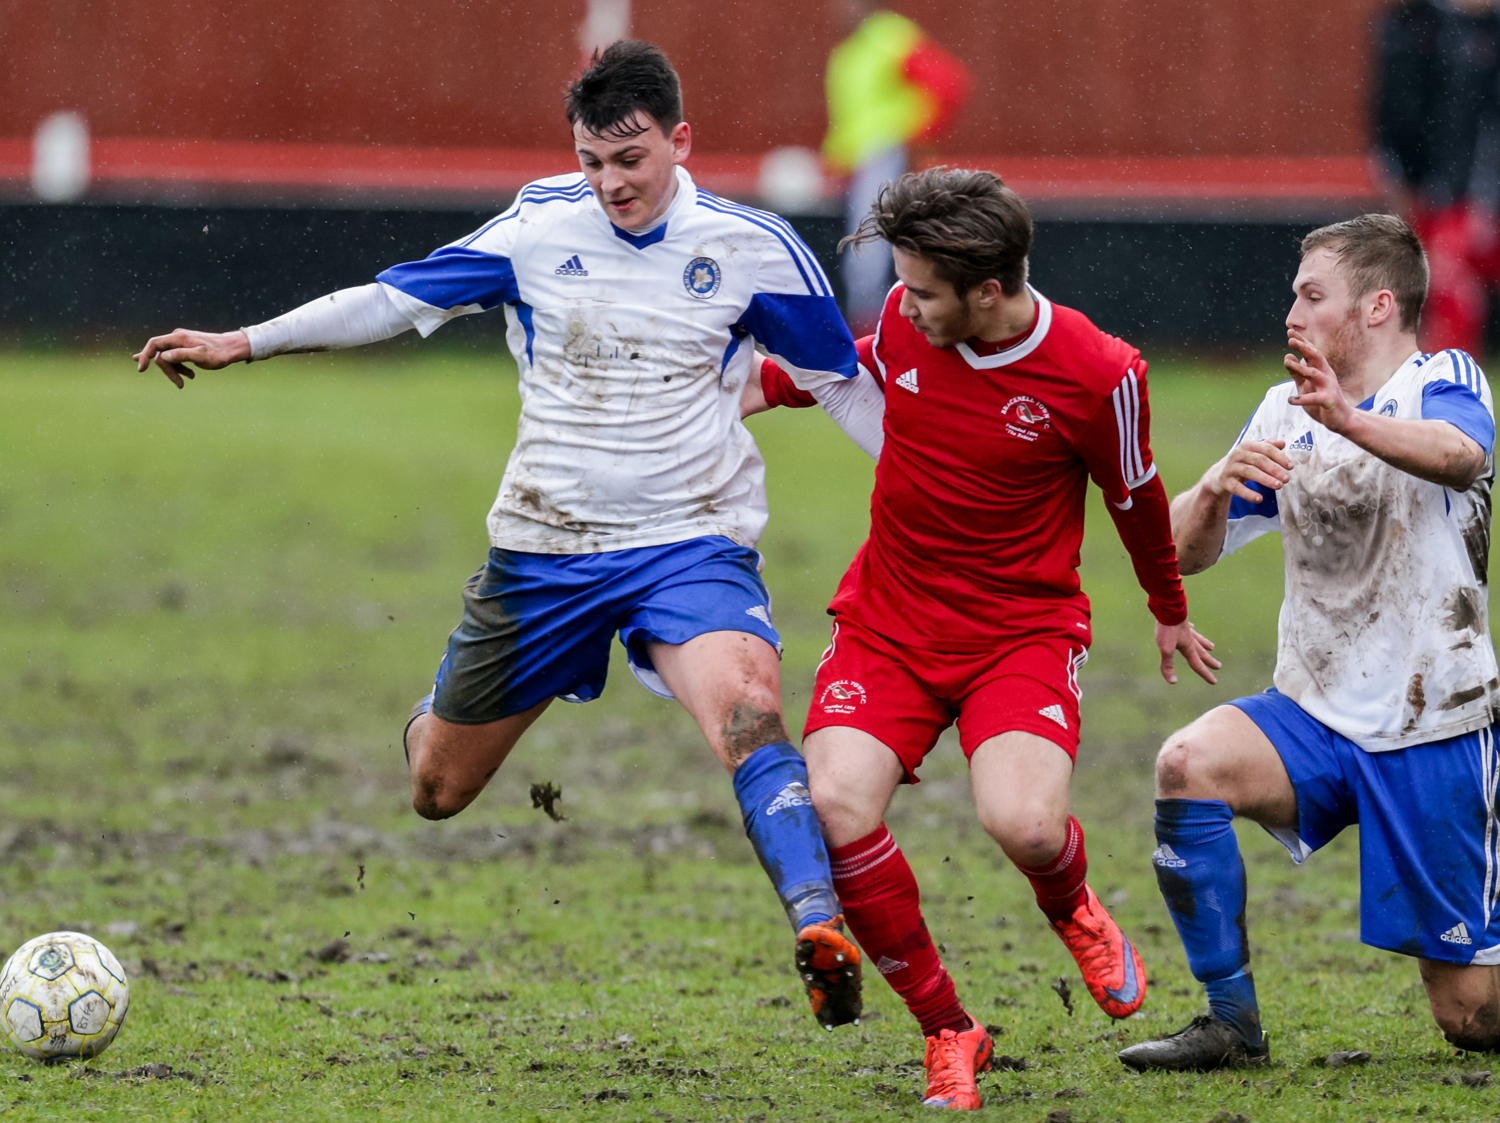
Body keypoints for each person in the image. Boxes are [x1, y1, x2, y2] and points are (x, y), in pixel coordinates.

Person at [132, 40, 875, 1029]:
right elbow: (393, 299)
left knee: (746, 710)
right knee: (437, 789)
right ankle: (439, 708)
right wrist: (246, 340)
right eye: (593, 162)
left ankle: (817, 925)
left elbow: (845, 387)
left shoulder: (754, 247)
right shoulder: (537, 228)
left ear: (680, 141)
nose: (611, 183)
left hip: (688, 543)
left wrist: (955, 493)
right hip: (545, 551)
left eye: (632, 159)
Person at [744, 168, 1218, 1109]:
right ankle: (949, 1030)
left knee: (1027, 825)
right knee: (836, 806)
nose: (905, 307)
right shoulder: (908, 318)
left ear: (990, 290)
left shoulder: (1100, 372)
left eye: (924, 293)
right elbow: (865, 362)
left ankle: (1073, 904)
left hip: (1021, 632)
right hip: (890, 621)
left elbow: (1136, 496)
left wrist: (1168, 604)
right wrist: (745, 388)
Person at [1118, 213, 1500, 1072]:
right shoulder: (1281, 410)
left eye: (1311, 294)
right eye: (1294, 292)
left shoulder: (1444, 376)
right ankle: (1231, 1021)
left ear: (1376, 306)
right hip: (1316, 716)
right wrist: (1215, 485)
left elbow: (1461, 456)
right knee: (1188, 766)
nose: (1291, 311)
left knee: (1473, 1020)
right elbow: (1182, 555)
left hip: (1432, 724)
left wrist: (1349, 420)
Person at [823, 0, 971, 336]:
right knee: (871, 245)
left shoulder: (890, 38)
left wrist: (909, 137)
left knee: (871, 245)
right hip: (864, 161)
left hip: (885, 154)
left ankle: (874, 328)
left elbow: (947, 85)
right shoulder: (852, 49)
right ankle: (879, 326)